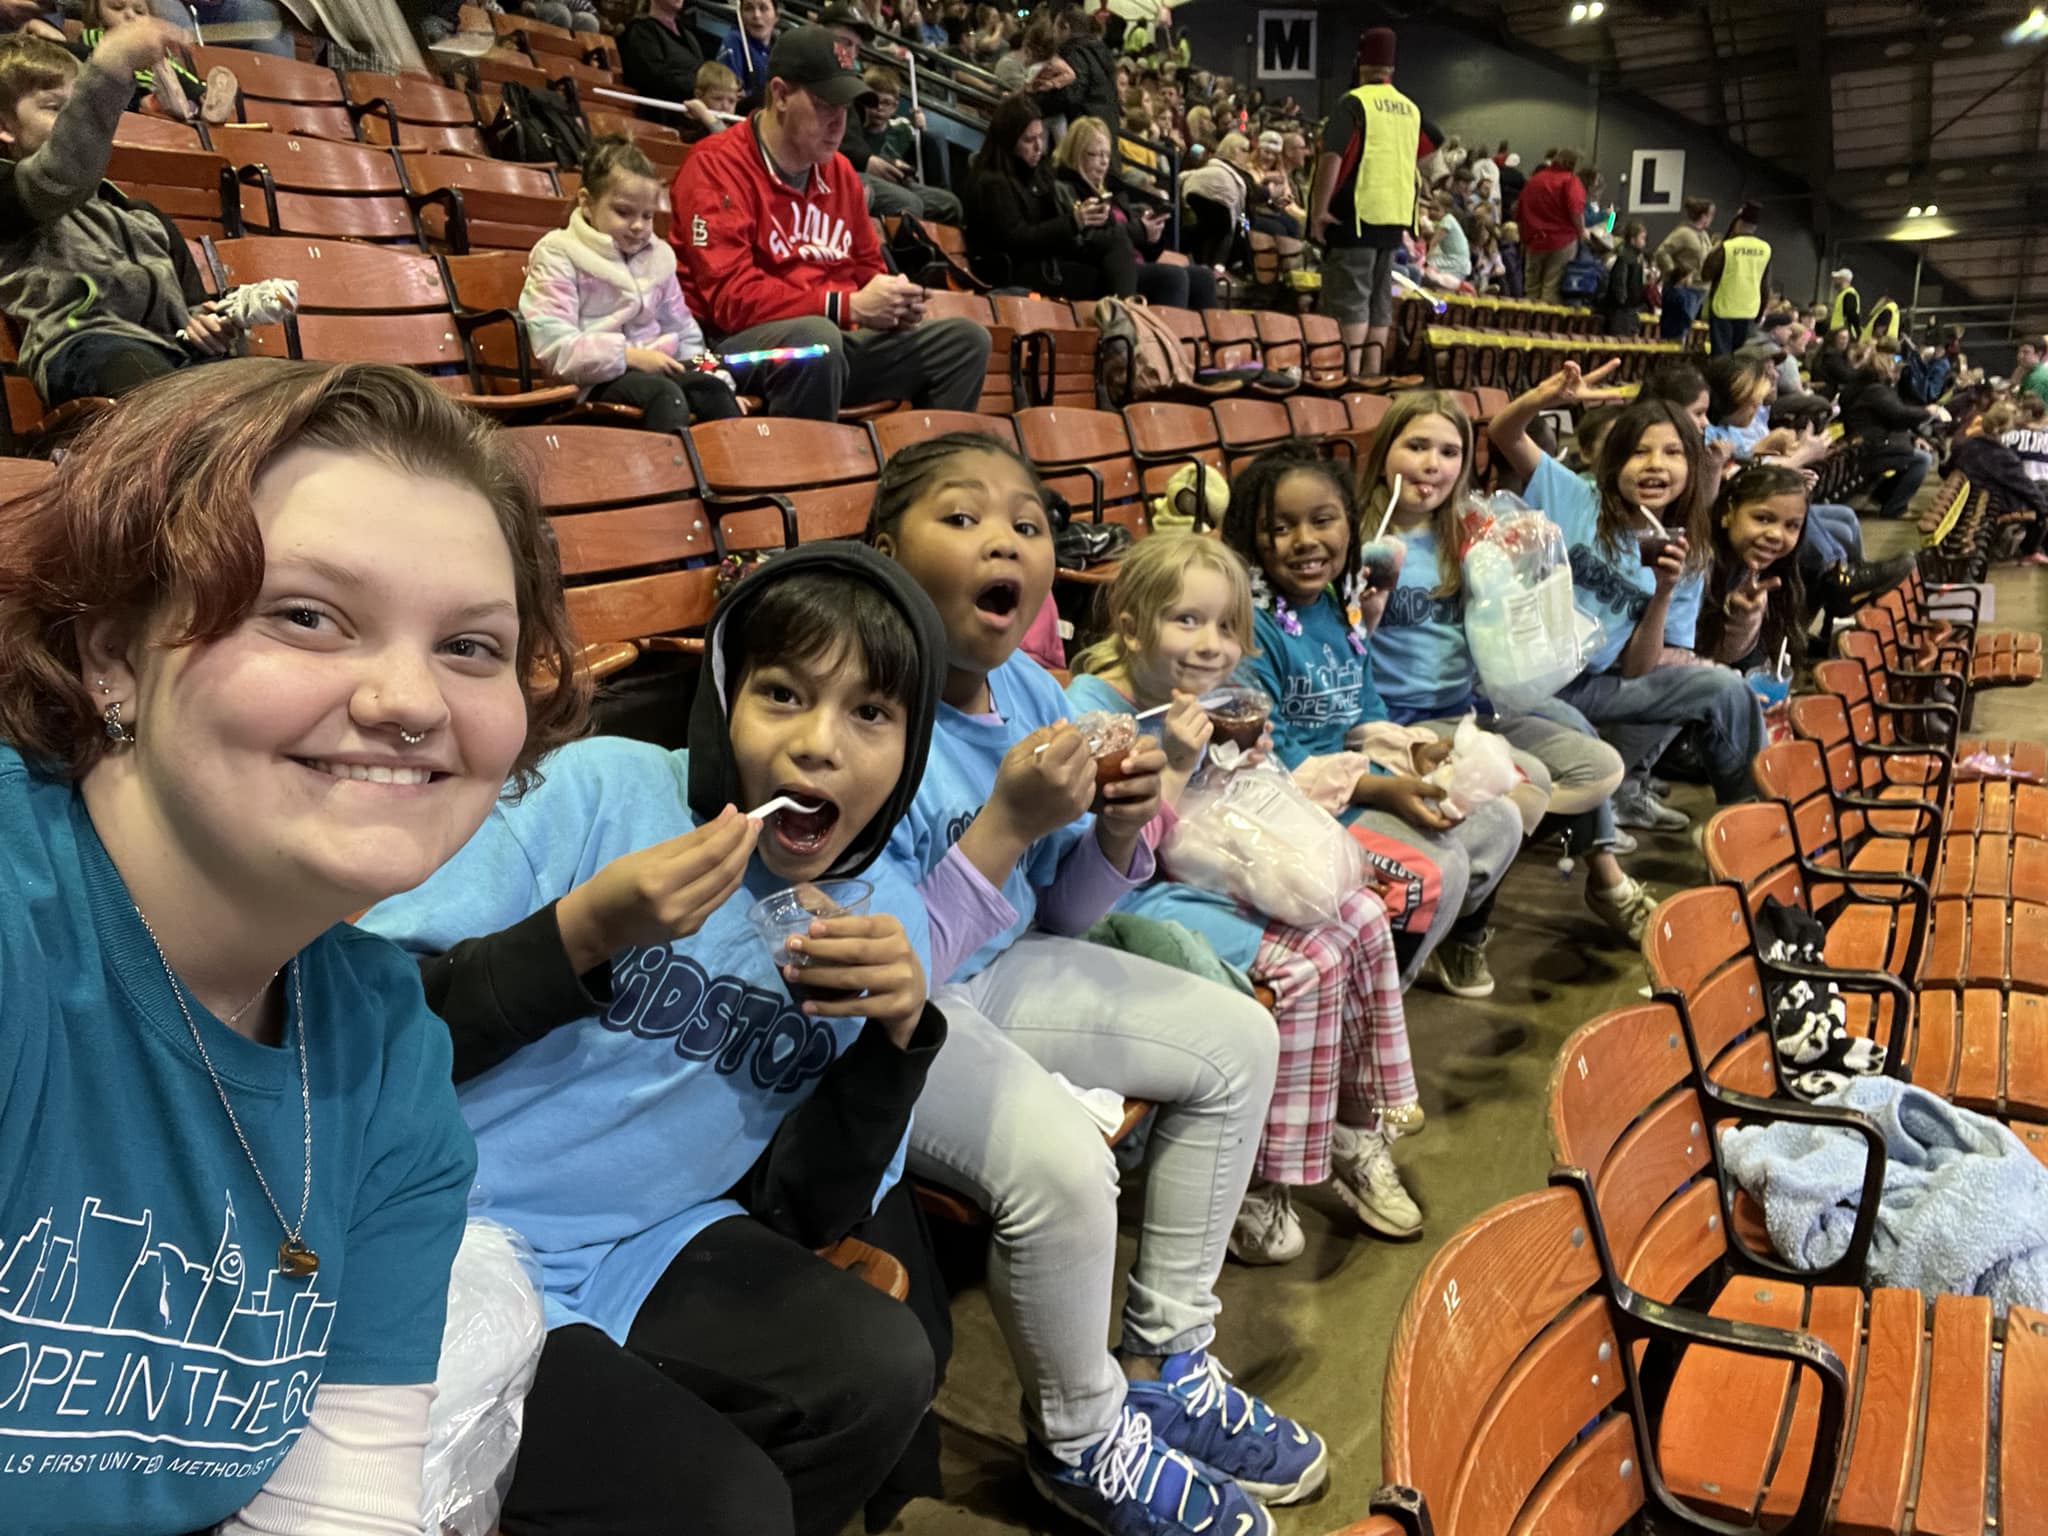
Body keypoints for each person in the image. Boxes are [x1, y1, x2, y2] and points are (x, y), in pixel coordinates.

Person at [0, 357, 587, 1532]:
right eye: (308, 616)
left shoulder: (385, 1057)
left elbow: (337, 1506)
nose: (408, 700)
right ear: (114, 654)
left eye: (471, 646)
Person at [362, 546, 948, 1536]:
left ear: (911, 745)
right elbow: (361, 1031)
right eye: (781, 694)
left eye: (870, 713)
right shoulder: (600, 794)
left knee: (882, 1368)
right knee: (727, 1506)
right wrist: (582, 931)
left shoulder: (884, 923)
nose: (819, 746)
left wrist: (895, 1042)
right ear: (722, 701)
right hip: (433, 1223)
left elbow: (802, 1208)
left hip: (640, 1243)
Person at [870, 434, 1325, 1536]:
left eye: (1026, 524)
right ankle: (1079, 1436)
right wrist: (1007, 825)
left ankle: (1166, 1357)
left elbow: (1059, 914)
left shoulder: (1030, 689)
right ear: (886, 551)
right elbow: (885, 973)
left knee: (1239, 1040)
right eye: (963, 517)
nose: (1004, 540)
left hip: (999, 970)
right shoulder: (863, 700)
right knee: (1066, 1163)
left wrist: (1115, 834)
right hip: (886, 1018)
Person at [1065, 535, 1427, 1257]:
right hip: (1122, 901)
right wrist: (1175, 763)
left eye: (1227, 627)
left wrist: (1235, 763)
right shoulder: (1096, 712)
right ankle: (1264, 1177)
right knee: (1303, 965)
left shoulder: (1206, 699)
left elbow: (1221, 812)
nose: (1211, 646)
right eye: (1186, 622)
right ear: (1131, 627)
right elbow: (1107, 861)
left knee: (1357, 913)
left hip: (1191, 872)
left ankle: (1353, 1123)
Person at [1219, 443, 1526, 997]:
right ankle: (1373, 1003)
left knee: (1499, 822)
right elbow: (1272, 761)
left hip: (1352, 779)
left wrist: (1414, 753)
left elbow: (1364, 712)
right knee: (1440, 869)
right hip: (1290, 803)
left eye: (1322, 520)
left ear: (1349, 524)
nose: (1306, 541)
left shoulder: (1340, 603)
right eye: (1280, 528)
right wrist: (1379, 791)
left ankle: (1413, 956)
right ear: (1248, 537)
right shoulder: (1248, 628)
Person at [1360, 393, 1653, 940]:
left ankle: (1471, 866)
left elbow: (1506, 633)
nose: (1432, 464)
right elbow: (1342, 648)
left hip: (1469, 704)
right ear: (1384, 452)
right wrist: (1367, 612)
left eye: (1449, 452)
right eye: (1416, 446)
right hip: (1398, 718)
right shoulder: (1359, 538)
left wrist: (1523, 568)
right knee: (1527, 785)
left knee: (1598, 768)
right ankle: (1465, 919)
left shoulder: (1468, 531)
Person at [670, 25, 990, 420]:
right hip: (725, 351)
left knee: (965, 341)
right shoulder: (715, 166)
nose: (839, 122)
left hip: (831, 340)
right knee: (816, 342)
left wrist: (893, 303)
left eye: (845, 108)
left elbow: (867, 271)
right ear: (782, 95)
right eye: (825, 104)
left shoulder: (839, 173)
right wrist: (843, 304)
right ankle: (805, 478)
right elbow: (729, 301)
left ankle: (928, 473)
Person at [1490, 361, 1767, 810]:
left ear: (1692, 465)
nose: (1655, 465)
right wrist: (1542, 400)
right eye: (1639, 452)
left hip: (1593, 685)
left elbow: (1641, 667)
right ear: (1615, 461)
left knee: (1725, 690)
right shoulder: (1577, 496)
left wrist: (1662, 592)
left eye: (1673, 452)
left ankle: (1747, 820)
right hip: (1525, 678)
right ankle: (1614, 796)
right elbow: (1505, 434)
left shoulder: (1687, 552)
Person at [0, 25, 291, 406]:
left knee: (292, 394)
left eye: (80, 106)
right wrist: (111, 64)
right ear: (4, 126)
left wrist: (207, 326)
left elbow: (191, 309)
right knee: (159, 387)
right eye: (57, 108)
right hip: (81, 346)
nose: (77, 121)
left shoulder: (144, 217)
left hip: (169, 356)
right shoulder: (11, 196)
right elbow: (58, 178)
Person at [520, 137, 741, 434]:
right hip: (592, 380)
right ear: (586, 202)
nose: (638, 226)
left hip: (658, 372)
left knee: (712, 391)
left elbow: (686, 332)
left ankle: (729, 478)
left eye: (647, 216)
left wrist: (718, 378)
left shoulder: (660, 255)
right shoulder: (557, 252)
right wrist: (626, 356)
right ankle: (670, 479)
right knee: (665, 396)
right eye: (624, 212)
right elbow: (553, 347)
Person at [1308, 26, 1433, 381]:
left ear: (1361, 60)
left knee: (1350, 302)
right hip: (1393, 219)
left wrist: (1319, 211)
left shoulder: (1354, 102)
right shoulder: (1410, 109)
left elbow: (1332, 156)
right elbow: (1427, 148)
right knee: (1379, 305)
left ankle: (1347, 381)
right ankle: (1373, 375)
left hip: (1355, 216)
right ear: (1391, 68)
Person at [965, 93, 1144, 302]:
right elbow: (1017, 241)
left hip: (1047, 259)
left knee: (1115, 241)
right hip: (1019, 269)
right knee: (1099, 276)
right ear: (1008, 140)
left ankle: (1128, 316)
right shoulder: (992, 183)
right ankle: (1127, 317)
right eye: (1029, 140)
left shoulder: (1038, 173)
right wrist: (1073, 221)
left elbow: (1052, 222)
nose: (1038, 147)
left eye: (1040, 137)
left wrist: (1083, 216)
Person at [1052, 113, 1214, 309]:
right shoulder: (1067, 188)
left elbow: (1141, 245)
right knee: (1173, 277)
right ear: (1075, 154)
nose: (1103, 162)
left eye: (1106, 154)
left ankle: (1204, 339)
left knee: (1203, 276)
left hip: (1135, 262)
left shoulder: (1112, 191)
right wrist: (1138, 230)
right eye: (1094, 154)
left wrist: (1152, 236)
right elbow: (1088, 242)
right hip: (1108, 270)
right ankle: (1165, 338)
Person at [1696, 463, 1812, 670]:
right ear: (1729, 511)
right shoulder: (1697, 565)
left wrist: (1743, 617)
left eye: (1791, 525)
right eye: (1763, 519)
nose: (1776, 535)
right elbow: (1698, 657)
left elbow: (1727, 654)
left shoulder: (1759, 571)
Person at [74, 0, 235, 121]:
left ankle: (207, 101)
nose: (130, 15)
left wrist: (199, 90)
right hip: (127, 93)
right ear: (97, 11)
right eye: (117, 7)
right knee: (139, 95)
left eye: (139, 12)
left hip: (159, 84)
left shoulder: (151, 45)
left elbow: (175, 71)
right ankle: (162, 103)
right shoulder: (97, 36)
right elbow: (99, 66)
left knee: (168, 71)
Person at [853, 63, 965, 221]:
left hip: (901, 183)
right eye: (872, 101)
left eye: (886, 102)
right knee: (910, 204)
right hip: (874, 185)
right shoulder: (855, 129)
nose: (879, 108)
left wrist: (921, 127)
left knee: (951, 204)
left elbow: (922, 149)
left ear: (895, 107)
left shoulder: (903, 128)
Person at [1840, 343, 1935, 520]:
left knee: (1918, 454)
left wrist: (1913, 438)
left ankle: (1881, 496)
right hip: (1870, 447)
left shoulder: (1871, 388)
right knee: (1923, 460)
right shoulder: (1876, 391)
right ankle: (1894, 507)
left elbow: (1893, 418)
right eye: (1893, 368)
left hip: (1873, 442)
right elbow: (1899, 414)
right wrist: (1929, 412)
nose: (1896, 373)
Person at [1516, 147, 1586, 305]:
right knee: (1551, 289)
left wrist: (1523, 241)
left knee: (1531, 289)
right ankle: (1542, 327)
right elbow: (1575, 210)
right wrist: (1581, 233)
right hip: (1562, 241)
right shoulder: (1570, 181)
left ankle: (1526, 325)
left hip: (1534, 241)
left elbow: (1519, 212)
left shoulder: (1535, 180)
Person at [1702, 201, 1770, 357]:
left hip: (1723, 309)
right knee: (1741, 357)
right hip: (1749, 310)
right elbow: (1765, 285)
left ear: (1738, 222)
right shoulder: (1765, 249)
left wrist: (1723, 242)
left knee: (1721, 357)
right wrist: (1760, 313)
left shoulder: (1728, 246)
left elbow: (1706, 273)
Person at [620, 0, 706, 106]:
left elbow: (703, 73)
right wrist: (701, 88)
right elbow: (656, 79)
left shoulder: (689, 36)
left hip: (695, 107)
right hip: (663, 109)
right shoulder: (641, 31)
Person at [716, 0, 775, 99]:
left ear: (776, 15)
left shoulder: (782, 48)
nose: (756, 15)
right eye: (748, 9)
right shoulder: (734, 40)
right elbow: (730, 94)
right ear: (741, 15)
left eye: (763, 8)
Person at [1601, 218, 1649, 336]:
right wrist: (1622, 301)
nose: (1644, 242)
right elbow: (1620, 282)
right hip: (1622, 309)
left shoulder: (1637, 257)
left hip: (1631, 307)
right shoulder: (1625, 258)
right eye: (1642, 238)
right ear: (1632, 240)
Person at [1826, 266, 1861, 341]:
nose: (1834, 281)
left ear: (1843, 279)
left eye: (1837, 279)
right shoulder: (1843, 294)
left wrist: (1858, 333)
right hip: (1838, 333)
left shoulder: (1849, 294)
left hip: (1843, 334)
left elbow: (1852, 314)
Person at [2015, 334, 2048, 409]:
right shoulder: (2028, 373)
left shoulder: (2038, 378)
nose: (2020, 356)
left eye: (2026, 352)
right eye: (2019, 352)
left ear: (2039, 354)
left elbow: (2030, 409)